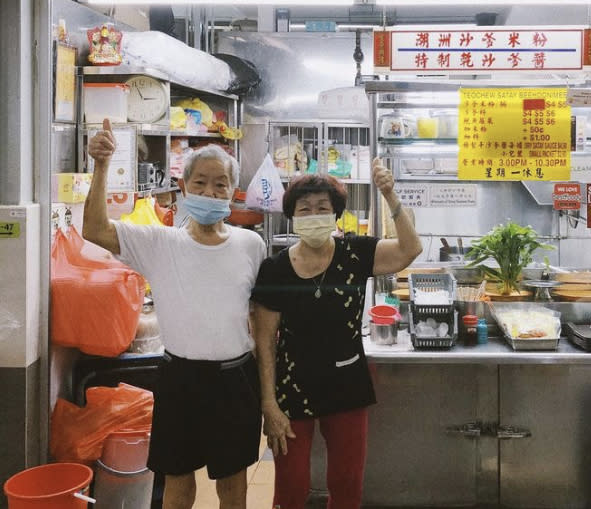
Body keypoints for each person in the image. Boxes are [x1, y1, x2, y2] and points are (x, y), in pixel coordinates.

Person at [83, 118, 266, 509]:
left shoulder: (251, 245)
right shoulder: (159, 242)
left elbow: (258, 316)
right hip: (180, 378)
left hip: (236, 380)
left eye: (220, 184)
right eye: (199, 182)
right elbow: (95, 230)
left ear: (232, 192)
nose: (209, 191)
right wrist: (101, 166)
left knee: (233, 486)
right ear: (183, 187)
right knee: (178, 484)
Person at [251, 158, 422, 509]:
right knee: (291, 486)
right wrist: (268, 402)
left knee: (347, 485)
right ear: (293, 216)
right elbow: (265, 340)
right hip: (290, 387)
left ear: (336, 214)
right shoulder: (275, 268)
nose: (314, 214)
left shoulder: (357, 253)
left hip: (347, 383)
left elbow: (410, 249)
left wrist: (390, 195)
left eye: (322, 208)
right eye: (305, 208)